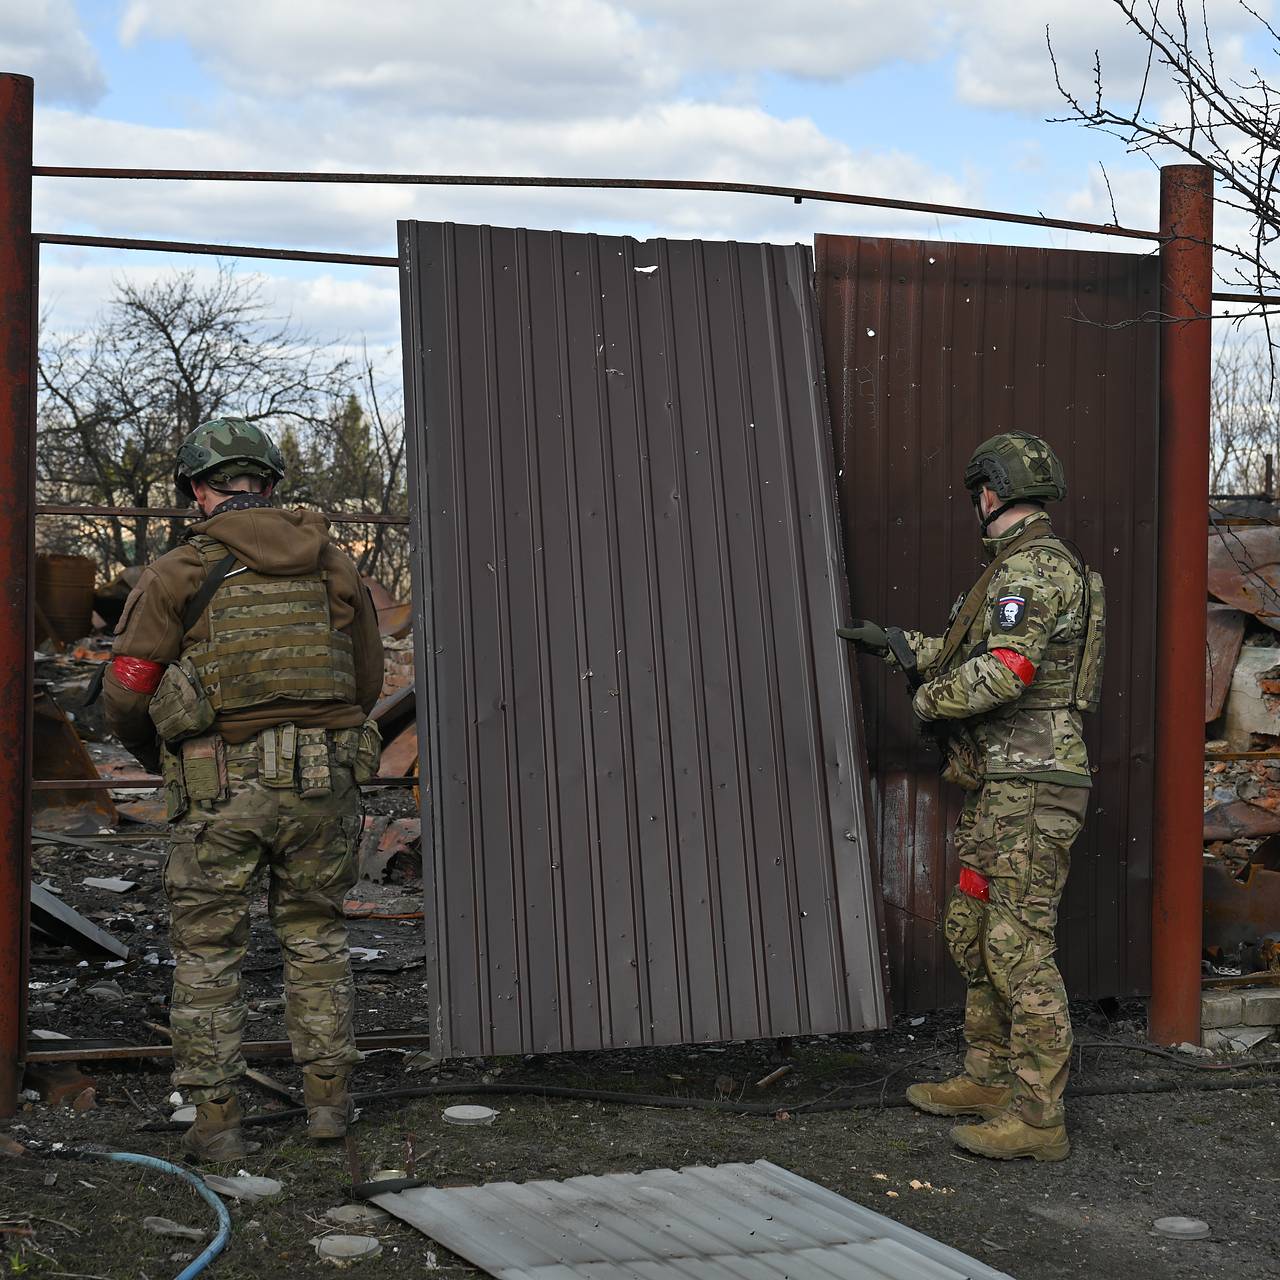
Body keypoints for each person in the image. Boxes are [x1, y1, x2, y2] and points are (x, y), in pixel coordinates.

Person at [103, 417, 386, 1161]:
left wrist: (154, 750)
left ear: (200, 490)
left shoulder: (178, 572)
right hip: (324, 784)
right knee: (317, 935)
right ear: (266, 485)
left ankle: (218, 1123)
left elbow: (130, 690)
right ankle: (328, 1106)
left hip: (220, 785)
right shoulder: (333, 565)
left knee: (207, 950)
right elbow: (365, 680)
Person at [840, 430, 1104, 1162]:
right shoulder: (1013, 570)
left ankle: (1038, 1118)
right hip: (1002, 786)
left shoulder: (1031, 573)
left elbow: (1006, 673)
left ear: (990, 493)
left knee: (1018, 947)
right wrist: (900, 643)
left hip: (1033, 785)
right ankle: (989, 1077)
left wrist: (926, 702)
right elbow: (979, 655)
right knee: (972, 924)